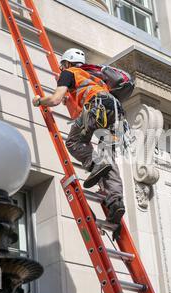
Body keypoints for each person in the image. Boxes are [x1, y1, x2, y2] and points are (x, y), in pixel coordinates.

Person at [32, 48, 126, 237]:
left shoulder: (69, 73)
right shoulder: (93, 77)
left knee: (74, 142)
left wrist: (39, 101)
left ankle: (95, 165)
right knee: (108, 155)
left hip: (97, 106)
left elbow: (55, 99)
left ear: (66, 63)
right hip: (116, 112)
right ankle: (116, 201)